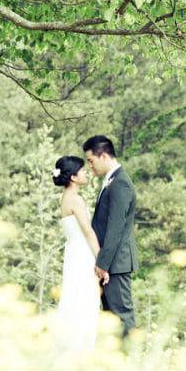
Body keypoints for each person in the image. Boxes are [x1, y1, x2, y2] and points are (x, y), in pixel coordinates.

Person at [83, 135, 138, 337]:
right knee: (110, 319)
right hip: (110, 263)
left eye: (91, 160)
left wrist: (102, 263)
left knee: (122, 315)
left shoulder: (120, 184)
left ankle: (130, 360)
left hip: (116, 263)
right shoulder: (111, 182)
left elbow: (115, 229)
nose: (90, 166)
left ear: (104, 156)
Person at [53, 155, 104, 352]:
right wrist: (102, 261)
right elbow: (89, 232)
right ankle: (80, 350)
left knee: (74, 299)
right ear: (73, 177)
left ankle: (71, 348)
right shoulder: (75, 199)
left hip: (73, 253)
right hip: (82, 254)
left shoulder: (65, 198)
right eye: (82, 170)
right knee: (84, 300)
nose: (86, 173)